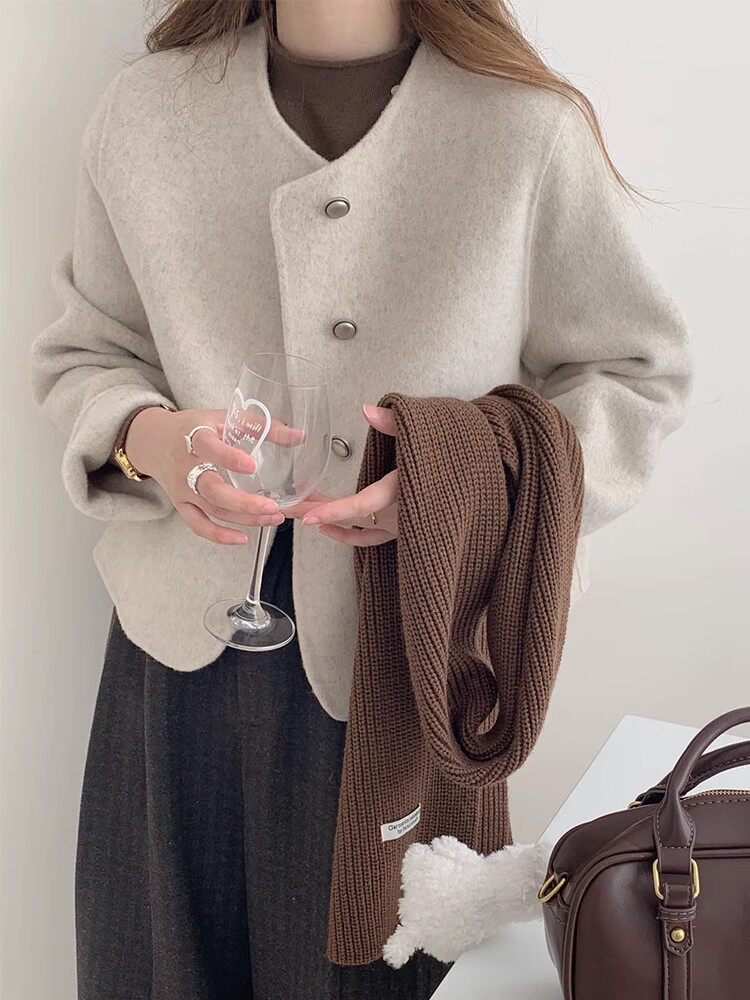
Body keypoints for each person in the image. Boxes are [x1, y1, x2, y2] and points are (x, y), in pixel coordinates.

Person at [30, 1, 692, 998]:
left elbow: (636, 374)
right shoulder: (147, 112)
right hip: (177, 673)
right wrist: (148, 441)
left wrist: (453, 494)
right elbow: (89, 351)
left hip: (412, 663)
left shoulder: (525, 128)